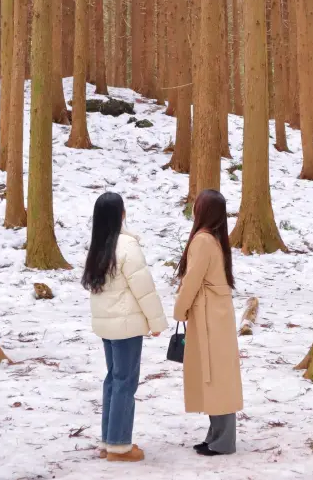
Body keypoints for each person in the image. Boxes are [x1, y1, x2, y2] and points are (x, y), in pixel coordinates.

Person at [82, 191, 168, 463]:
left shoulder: (97, 246)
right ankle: (119, 445)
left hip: (107, 326)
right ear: (121, 215)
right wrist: (157, 322)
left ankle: (110, 440)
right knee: (124, 382)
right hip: (126, 326)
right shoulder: (127, 246)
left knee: (113, 380)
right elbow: (144, 289)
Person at [174, 189, 243, 456]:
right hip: (214, 313)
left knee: (217, 376)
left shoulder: (202, 241)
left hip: (210, 315)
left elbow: (192, 280)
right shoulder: (213, 239)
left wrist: (179, 310)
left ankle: (223, 440)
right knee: (215, 376)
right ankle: (216, 436)